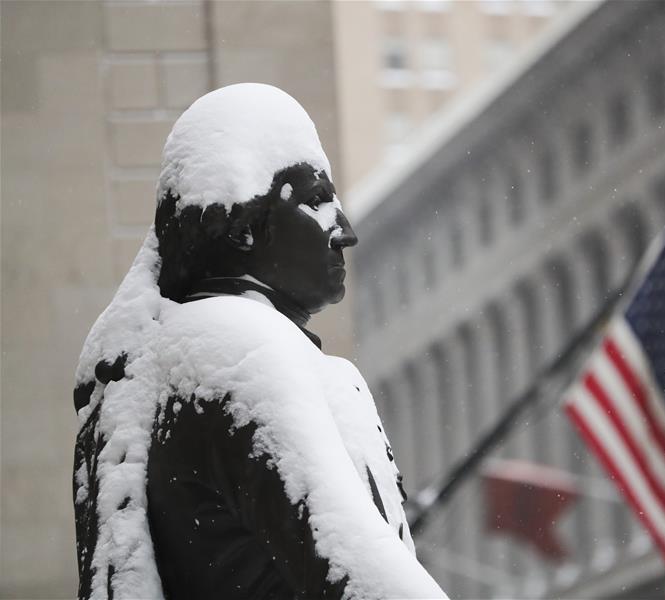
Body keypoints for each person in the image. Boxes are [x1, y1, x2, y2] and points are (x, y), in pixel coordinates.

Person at [72, 83, 446, 600]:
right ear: (242, 227)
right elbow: (357, 574)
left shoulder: (205, 351)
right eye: (317, 201)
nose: (344, 230)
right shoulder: (234, 348)